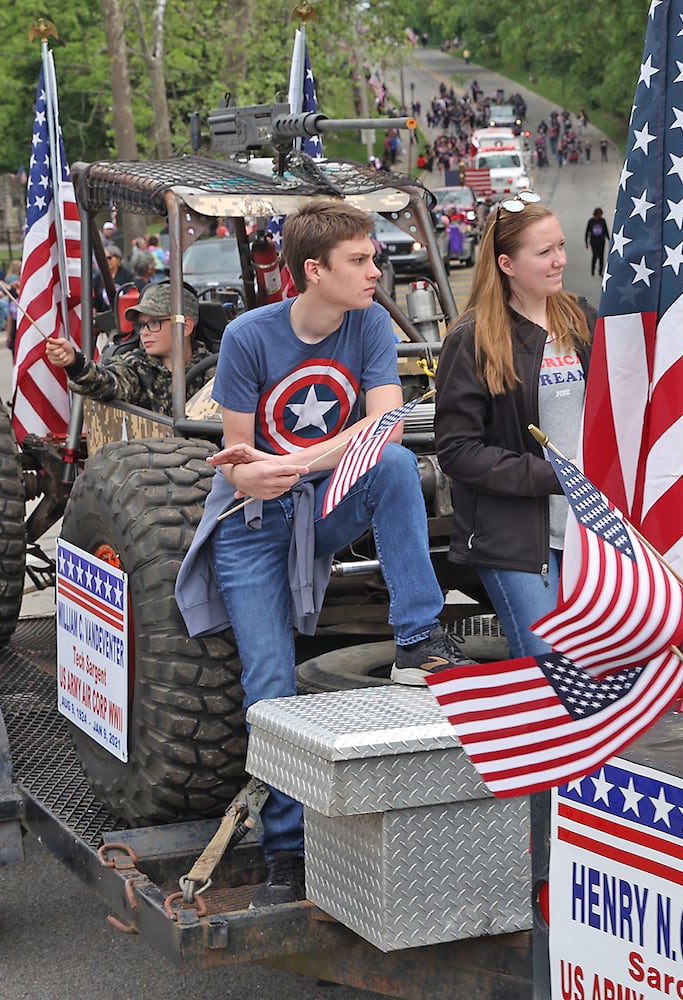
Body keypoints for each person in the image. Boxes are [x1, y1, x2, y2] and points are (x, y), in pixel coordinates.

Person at [174, 200, 474, 908]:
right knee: (271, 688)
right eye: (361, 261)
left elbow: (387, 429)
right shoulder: (249, 337)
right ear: (313, 271)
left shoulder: (369, 322)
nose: (378, 272)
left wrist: (301, 461)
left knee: (396, 470)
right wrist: (257, 473)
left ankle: (417, 639)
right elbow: (238, 463)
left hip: (318, 498)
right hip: (253, 522)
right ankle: (286, 854)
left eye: (375, 258)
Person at [435, 195, 595, 658]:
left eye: (561, 246)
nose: (560, 259)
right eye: (544, 252)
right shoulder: (471, 340)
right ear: (506, 263)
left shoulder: (582, 319)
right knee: (551, 669)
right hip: (516, 539)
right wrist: (556, 476)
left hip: (593, 533)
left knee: (601, 670)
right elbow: (458, 451)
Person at [44, 281, 209, 414]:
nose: (144, 332)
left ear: (185, 326)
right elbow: (105, 382)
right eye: (141, 325)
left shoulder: (215, 370)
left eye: (154, 323)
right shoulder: (136, 366)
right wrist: (75, 363)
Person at [583, 207, 609, 277]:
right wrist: (586, 242)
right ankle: (593, 270)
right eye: (598, 214)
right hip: (593, 241)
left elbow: (606, 231)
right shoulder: (591, 221)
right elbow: (587, 231)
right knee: (595, 255)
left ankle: (600, 272)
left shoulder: (603, 221)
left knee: (601, 257)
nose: (599, 216)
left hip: (601, 241)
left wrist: (609, 239)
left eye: (600, 214)